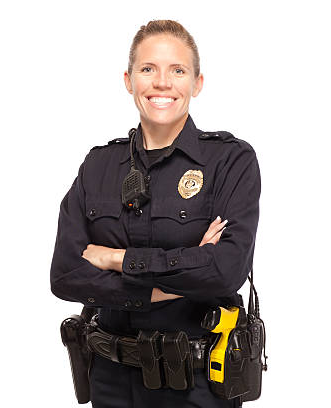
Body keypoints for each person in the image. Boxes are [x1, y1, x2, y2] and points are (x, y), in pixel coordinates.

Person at [49, 20, 261, 408]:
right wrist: (170, 282)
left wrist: (117, 259)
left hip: (196, 384)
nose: (162, 83)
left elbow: (225, 271)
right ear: (129, 81)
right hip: (110, 379)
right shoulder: (98, 166)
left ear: (197, 83)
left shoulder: (230, 161)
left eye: (177, 70)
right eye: (148, 69)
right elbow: (65, 276)